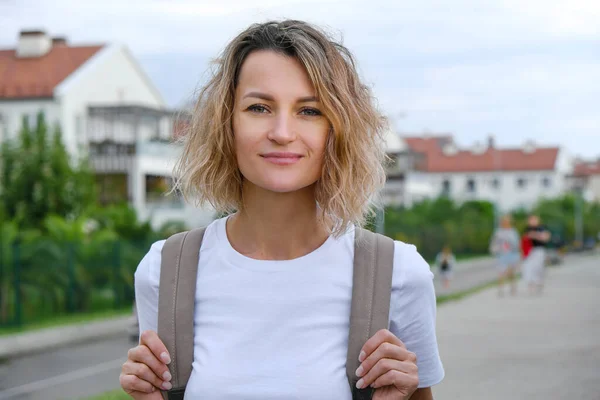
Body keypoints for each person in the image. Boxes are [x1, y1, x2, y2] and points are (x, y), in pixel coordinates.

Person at [119, 20, 444, 400]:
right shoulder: (165, 272)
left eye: (309, 111)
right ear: (227, 122)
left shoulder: (399, 275)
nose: (283, 132)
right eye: (259, 107)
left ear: (336, 129)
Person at [489, 215, 521, 297]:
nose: (506, 223)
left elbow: (517, 243)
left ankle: (513, 287)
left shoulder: (513, 231)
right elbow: (494, 242)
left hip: (512, 253)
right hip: (502, 254)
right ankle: (500, 289)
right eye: (504, 221)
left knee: (511, 272)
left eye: (507, 221)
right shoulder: (498, 232)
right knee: (500, 272)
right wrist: (495, 250)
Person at [521, 214, 550, 295]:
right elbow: (524, 240)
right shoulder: (527, 229)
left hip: (539, 250)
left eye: (534, 219)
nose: (533, 221)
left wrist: (535, 235)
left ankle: (539, 282)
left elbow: (546, 238)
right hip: (529, 251)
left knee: (538, 267)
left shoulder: (542, 228)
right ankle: (531, 285)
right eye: (531, 220)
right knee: (528, 267)